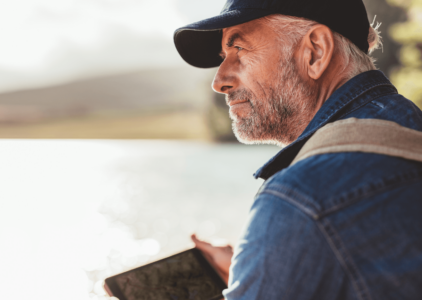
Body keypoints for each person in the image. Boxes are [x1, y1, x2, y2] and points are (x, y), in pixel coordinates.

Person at [174, 0, 422, 299]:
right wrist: (265, 265)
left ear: (315, 51)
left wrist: (281, 236)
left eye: (239, 49)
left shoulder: (300, 199)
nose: (219, 81)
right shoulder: (410, 126)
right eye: (223, 55)